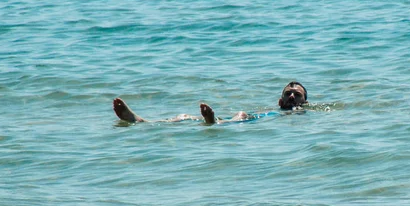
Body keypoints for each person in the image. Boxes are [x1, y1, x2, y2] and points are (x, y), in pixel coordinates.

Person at [113, 82, 308, 124]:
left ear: (305, 101)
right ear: (279, 101)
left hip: (243, 118)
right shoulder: (273, 110)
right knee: (185, 117)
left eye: (297, 95)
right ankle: (142, 121)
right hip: (250, 120)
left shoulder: (305, 111)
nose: (292, 97)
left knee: (241, 114)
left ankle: (213, 121)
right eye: (288, 94)